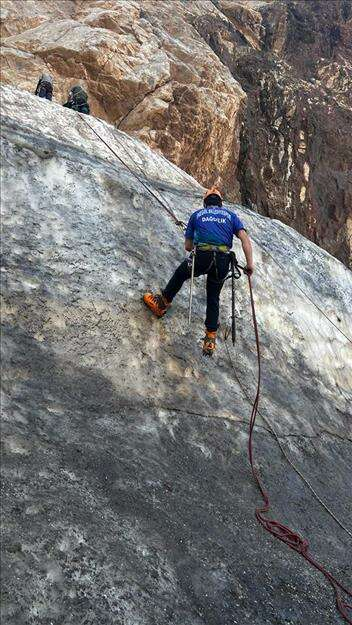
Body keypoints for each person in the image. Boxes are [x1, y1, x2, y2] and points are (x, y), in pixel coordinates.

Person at [143, 186, 254, 355]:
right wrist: (250, 264)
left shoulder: (197, 215)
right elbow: (245, 239)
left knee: (181, 274)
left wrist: (195, 237)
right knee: (213, 296)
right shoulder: (231, 216)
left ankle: (162, 303)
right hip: (223, 261)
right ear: (221, 203)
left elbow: (188, 247)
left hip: (202, 257)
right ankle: (210, 338)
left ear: (205, 203)